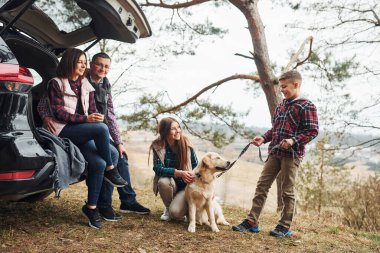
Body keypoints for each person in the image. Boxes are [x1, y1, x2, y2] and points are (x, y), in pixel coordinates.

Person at [38, 52, 150, 222]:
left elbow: (107, 113)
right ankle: (111, 175)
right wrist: (47, 117)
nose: (102, 69)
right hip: (71, 128)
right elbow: (47, 105)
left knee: (109, 157)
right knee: (105, 141)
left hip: (89, 129)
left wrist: (117, 140)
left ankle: (97, 206)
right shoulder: (60, 82)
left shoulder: (99, 84)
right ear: (89, 64)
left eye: (106, 66)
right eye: (97, 64)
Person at [232, 70, 319, 237]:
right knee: (262, 186)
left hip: (292, 155)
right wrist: (263, 138)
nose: (282, 90)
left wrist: (293, 141)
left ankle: (284, 226)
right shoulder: (282, 105)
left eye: (285, 87)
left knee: (287, 191)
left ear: (296, 84)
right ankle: (252, 221)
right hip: (275, 152)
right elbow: (276, 129)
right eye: (281, 87)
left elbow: (312, 131)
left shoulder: (306, 106)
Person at [150, 117, 198, 221]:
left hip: (185, 187)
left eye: (178, 127)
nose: (178, 131)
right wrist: (178, 173)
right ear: (165, 131)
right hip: (170, 184)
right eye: (173, 129)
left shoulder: (187, 145)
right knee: (162, 181)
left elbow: (196, 168)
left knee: (176, 214)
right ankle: (168, 207)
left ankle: (181, 207)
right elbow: (158, 169)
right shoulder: (158, 146)